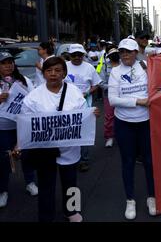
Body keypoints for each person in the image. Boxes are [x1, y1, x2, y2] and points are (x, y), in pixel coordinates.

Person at [22, 56, 100, 222]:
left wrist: (92, 114)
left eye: (58, 70)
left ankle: (71, 211)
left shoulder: (73, 91)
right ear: (43, 74)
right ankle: (46, 216)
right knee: (46, 185)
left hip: (69, 148)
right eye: (49, 70)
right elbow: (27, 123)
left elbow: (82, 113)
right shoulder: (34, 96)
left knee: (71, 182)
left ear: (64, 73)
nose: (53, 74)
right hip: (45, 149)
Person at [108, 38, 155, 219]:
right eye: (122, 52)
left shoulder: (145, 66)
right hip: (124, 123)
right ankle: (130, 200)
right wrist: (138, 101)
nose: (125, 55)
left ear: (136, 52)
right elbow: (113, 100)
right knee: (127, 163)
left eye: (128, 51)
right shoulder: (115, 72)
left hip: (146, 122)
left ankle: (152, 197)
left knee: (150, 162)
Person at [0, 52, 38, 208]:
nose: (8, 65)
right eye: (4, 63)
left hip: (22, 126)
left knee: (26, 154)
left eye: (10, 62)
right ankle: (3, 190)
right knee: (3, 159)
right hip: (2, 128)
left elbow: (34, 97)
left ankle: (30, 182)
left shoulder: (24, 80)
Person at [65, 44, 102, 172]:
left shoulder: (89, 67)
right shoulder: (64, 66)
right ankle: (70, 158)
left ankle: (84, 160)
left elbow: (96, 84)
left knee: (84, 133)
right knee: (68, 131)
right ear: (69, 55)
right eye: (74, 55)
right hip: (66, 105)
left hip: (85, 105)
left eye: (79, 55)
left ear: (83, 55)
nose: (76, 57)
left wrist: (87, 92)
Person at [99, 47, 120, 148]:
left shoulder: (124, 66)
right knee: (109, 116)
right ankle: (109, 137)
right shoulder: (104, 66)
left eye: (116, 54)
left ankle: (122, 136)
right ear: (109, 57)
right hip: (108, 95)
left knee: (123, 115)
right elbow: (101, 82)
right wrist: (113, 86)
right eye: (112, 55)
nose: (115, 56)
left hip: (123, 95)